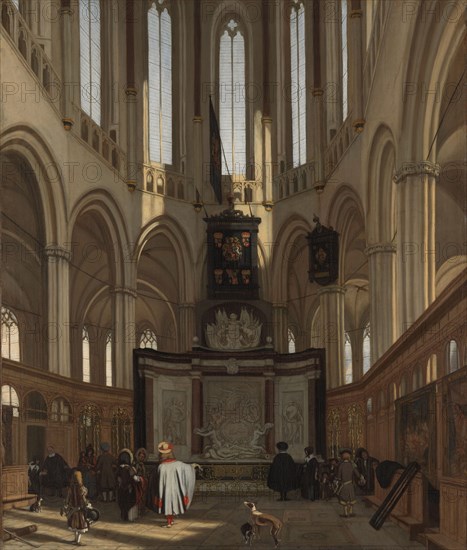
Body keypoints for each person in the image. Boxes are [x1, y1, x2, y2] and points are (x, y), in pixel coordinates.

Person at [146, 441, 198, 528]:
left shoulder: (161, 466)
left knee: (167, 505)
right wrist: (192, 466)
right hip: (175, 490)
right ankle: (170, 520)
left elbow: (156, 478)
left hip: (166, 490)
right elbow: (187, 468)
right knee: (173, 504)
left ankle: (169, 522)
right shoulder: (178, 464)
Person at [61, 469, 89, 545]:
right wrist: (86, 504)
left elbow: (67, 499)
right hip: (79, 511)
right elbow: (83, 500)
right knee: (80, 526)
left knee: (74, 526)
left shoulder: (70, 488)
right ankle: (78, 541)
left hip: (72, 510)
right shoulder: (82, 488)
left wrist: (66, 506)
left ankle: (75, 539)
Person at [336, 448, 364, 517]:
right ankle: (350, 513)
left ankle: (346, 513)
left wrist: (338, 481)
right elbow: (357, 474)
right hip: (350, 485)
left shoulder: (341, 465)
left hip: (344, 485)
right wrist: (361, 477)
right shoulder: (352, 465)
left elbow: (339, 476)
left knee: (344, 499)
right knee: (350, 498)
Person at [116, 448, 142, 521]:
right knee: (130, 502)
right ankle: (130, 517)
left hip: (121, 489)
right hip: (129, 489)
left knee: (122, 502)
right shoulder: (131, 469)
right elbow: (134, 478)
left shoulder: (119, 469)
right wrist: (139, 479)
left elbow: (117, 479)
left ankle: (124, 516)